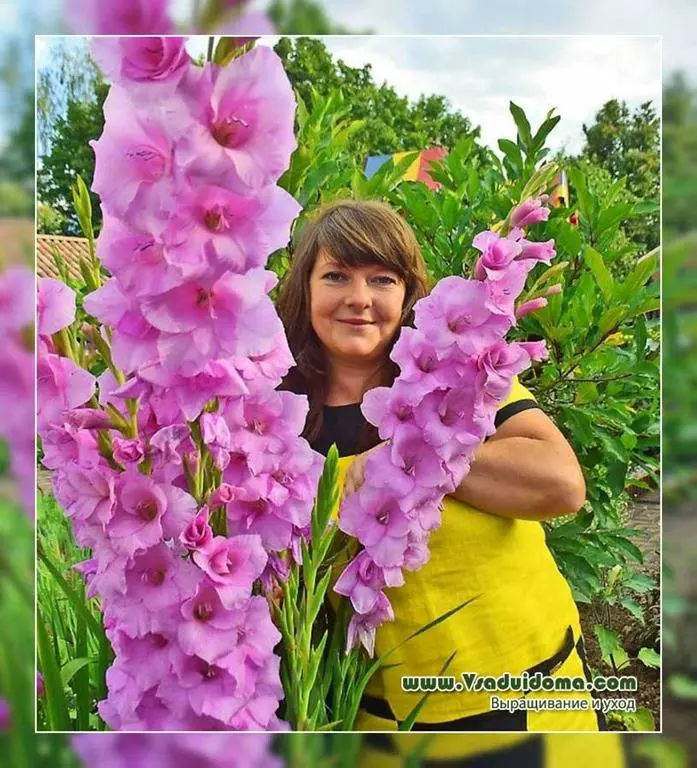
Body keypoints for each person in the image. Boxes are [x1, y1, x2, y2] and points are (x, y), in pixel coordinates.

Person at [276, 199, 608, 734]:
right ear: (305, 289)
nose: (359, 299)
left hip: (522, 688)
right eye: (335, 275)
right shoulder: (276, 410)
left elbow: (560, 484)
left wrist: (406, 456)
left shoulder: (461, 378)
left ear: (408, 294)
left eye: (382, 279)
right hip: (377, 712)